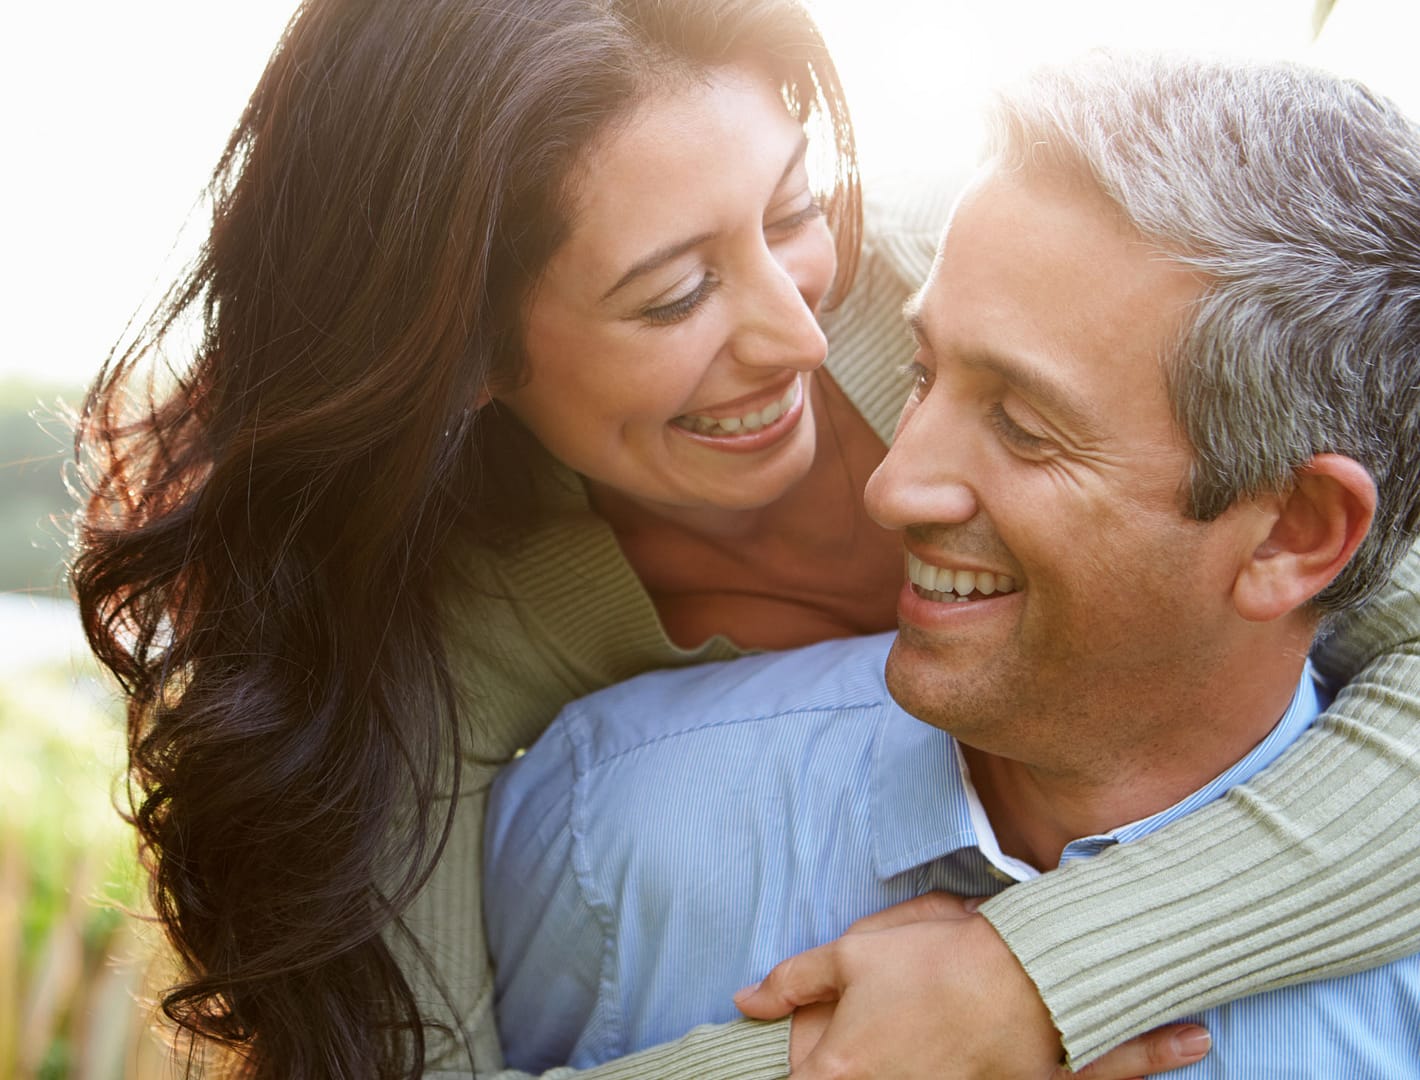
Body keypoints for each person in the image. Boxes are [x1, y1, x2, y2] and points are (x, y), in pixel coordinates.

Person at [67, 0, 1419, 1072]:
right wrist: (852, 1059)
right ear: (465, 351)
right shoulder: (448, 636)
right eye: (674, 295)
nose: (798, 331)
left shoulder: (1008, 284)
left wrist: (1038, 977)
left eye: (791, 212)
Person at [485, 51, 1420, 1077]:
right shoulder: (606, 826)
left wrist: (1049, 974)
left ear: (1292, 533)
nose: (890, 488)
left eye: (1023, 426)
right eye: (920, 371)